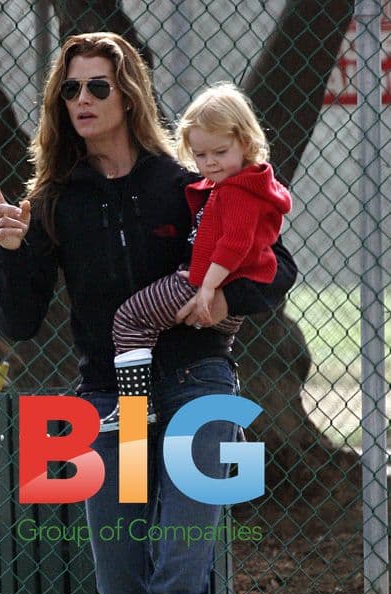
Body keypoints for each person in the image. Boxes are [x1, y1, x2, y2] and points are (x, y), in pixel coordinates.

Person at [0, 31, 297, 594]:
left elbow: (275, 262)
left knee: (180, 574)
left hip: (200, 389)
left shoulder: (183, 181)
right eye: (70, 91)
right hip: (109, 405)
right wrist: (13, 250)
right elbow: (20, 321)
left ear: (127, 93)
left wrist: (230, 303)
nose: (82, 102)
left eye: (97, 87)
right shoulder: (56, 198)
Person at [100, 82, 292, 430]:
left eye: (219, 152)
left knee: (129, 320)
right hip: (212, 294)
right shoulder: (227, 187)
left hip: (199, 283)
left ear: (245, 143)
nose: (210, 163)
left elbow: (235, 244)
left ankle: (133, 411)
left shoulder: (239, 192)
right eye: (201, 156)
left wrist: (207, 288)